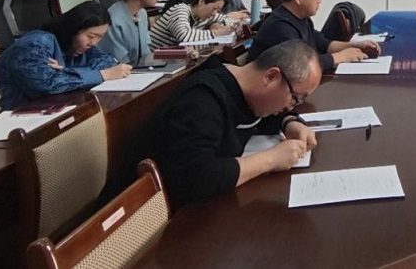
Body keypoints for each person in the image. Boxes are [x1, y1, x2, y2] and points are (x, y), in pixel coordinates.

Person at [98, 40, 322, 208]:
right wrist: (271, 159)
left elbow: (257, 114)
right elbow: (198, 178)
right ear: (271, 77)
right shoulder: (202, 100)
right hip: (135, 222)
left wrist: (289, 121)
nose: (292, 106)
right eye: (295, 98)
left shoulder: (241, 85)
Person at [0, 2, 132, 110]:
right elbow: (46, 85)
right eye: (90, 36)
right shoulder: (36, 44)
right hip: (14, 115)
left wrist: (67, 72)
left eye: (100, 37)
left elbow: (109, 63)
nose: (94, 43)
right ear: (74, 29)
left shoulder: (81, 46)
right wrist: (102, 75)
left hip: (52, 110)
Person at [248, 0, 379, 71]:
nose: (320, 0)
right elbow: (301, 65)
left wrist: (355, 45)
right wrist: (341, 56)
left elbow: (324, 44)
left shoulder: (302, 18)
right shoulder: (280, 26)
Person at [96, 0, 164, 64]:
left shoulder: (142, 13)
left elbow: (145, 50)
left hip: (139, 67)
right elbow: (118, 58)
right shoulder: (114, 18)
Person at [150, 0, 236, 49]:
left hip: (174, 59)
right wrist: (216, 33)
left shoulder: (204, 16)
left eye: (218, 10)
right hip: (154, 60)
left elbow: (228, 20)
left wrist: (218, 24)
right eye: (215, 8)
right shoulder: (180, 10)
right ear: (202, 1)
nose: (214, 13)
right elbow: (184, 36)